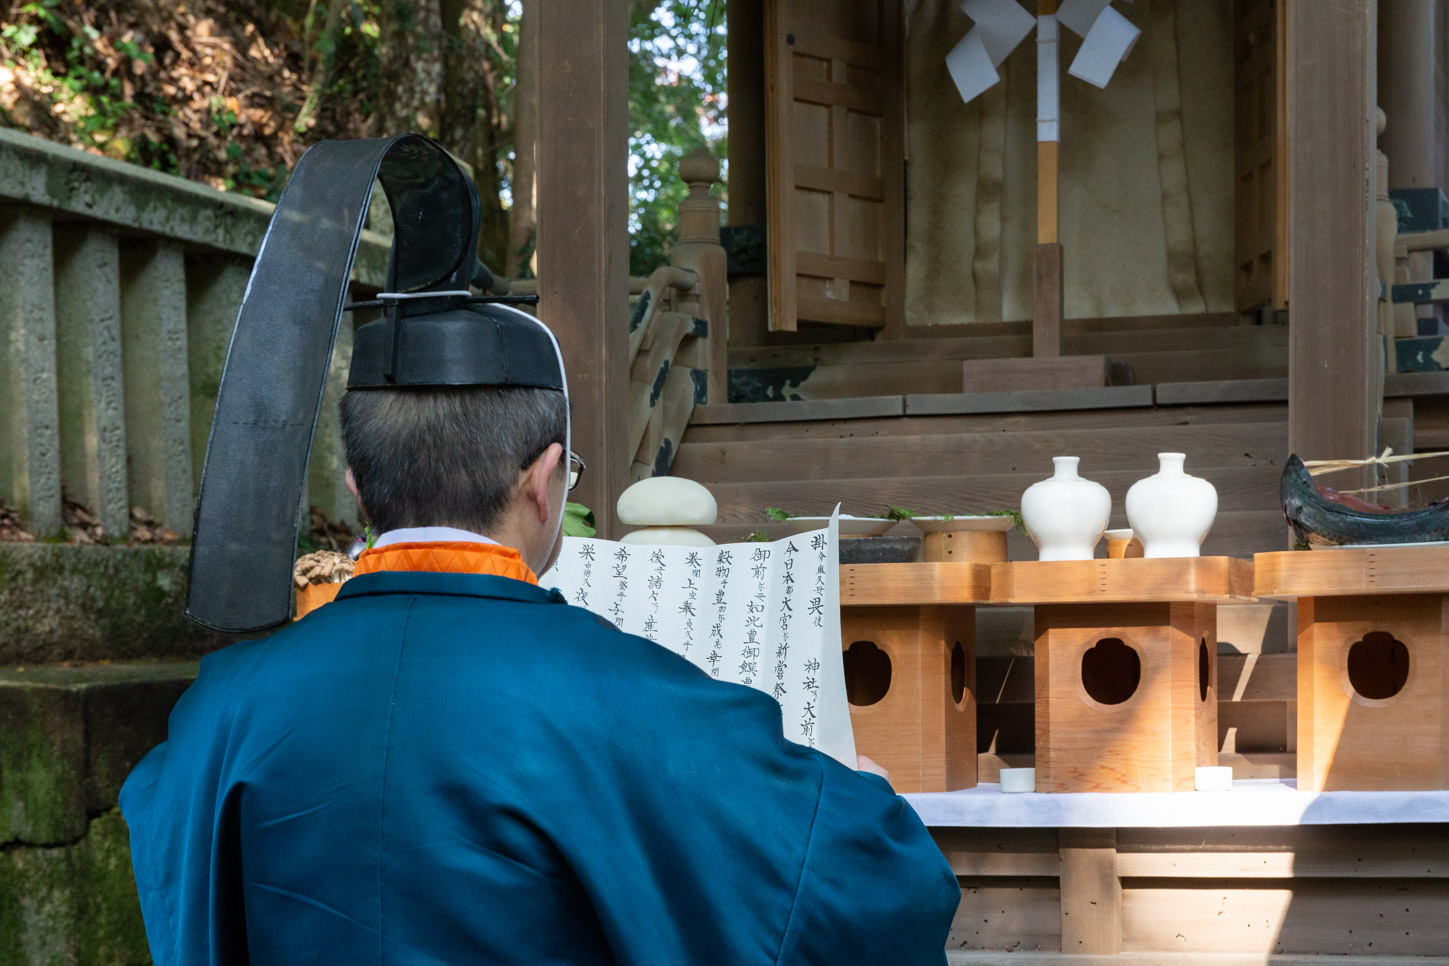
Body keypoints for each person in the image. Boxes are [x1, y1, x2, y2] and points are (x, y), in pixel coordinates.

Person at [120, 135, 960, 965]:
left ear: (356, 485)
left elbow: (167, 836)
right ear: (545, 479)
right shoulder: (629, 702)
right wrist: (868, 795)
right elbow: (868, 885)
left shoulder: (222, 710)